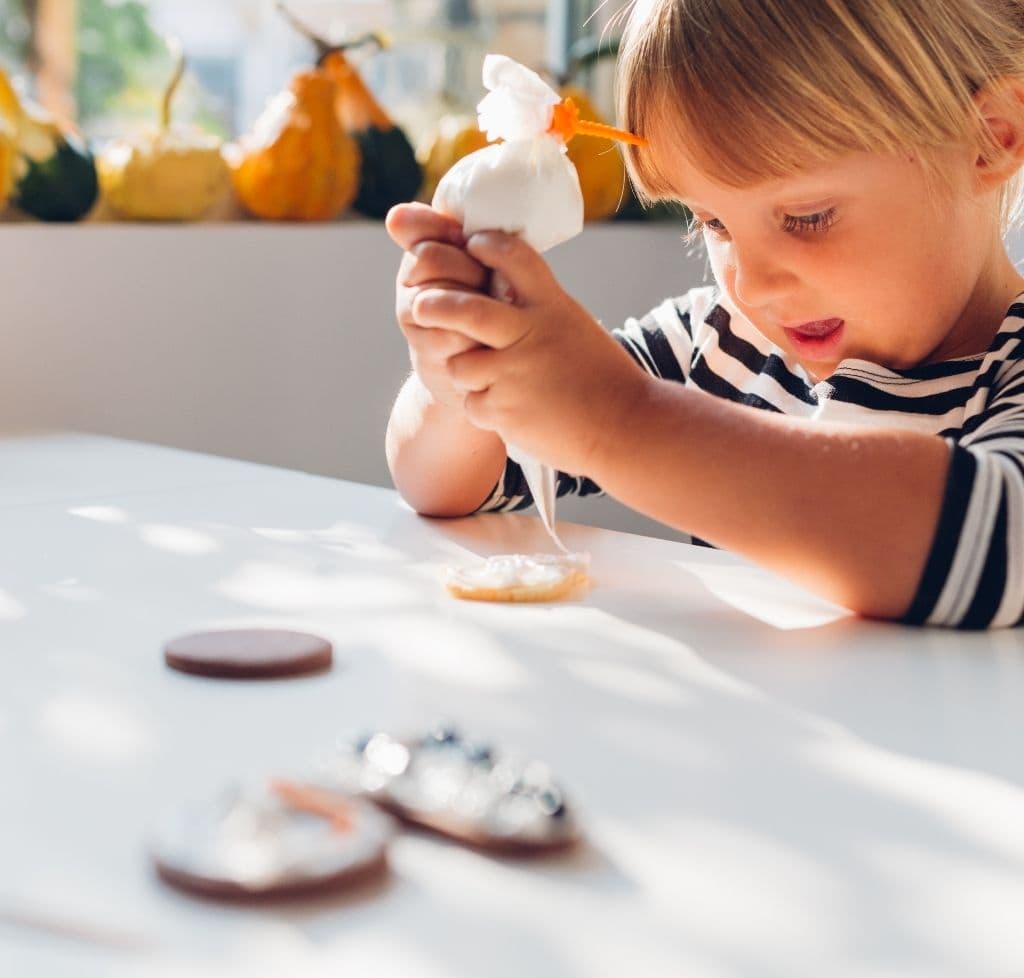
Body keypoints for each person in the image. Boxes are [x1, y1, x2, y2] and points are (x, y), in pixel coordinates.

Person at [384, 0, 1024, 629]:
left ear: (989, 139)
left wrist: (619, 419)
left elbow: (992, 540)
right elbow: (452, 485)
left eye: (806, 217)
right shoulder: (720, 342)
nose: (751, 282)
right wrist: (460, 376)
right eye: (713, 221)